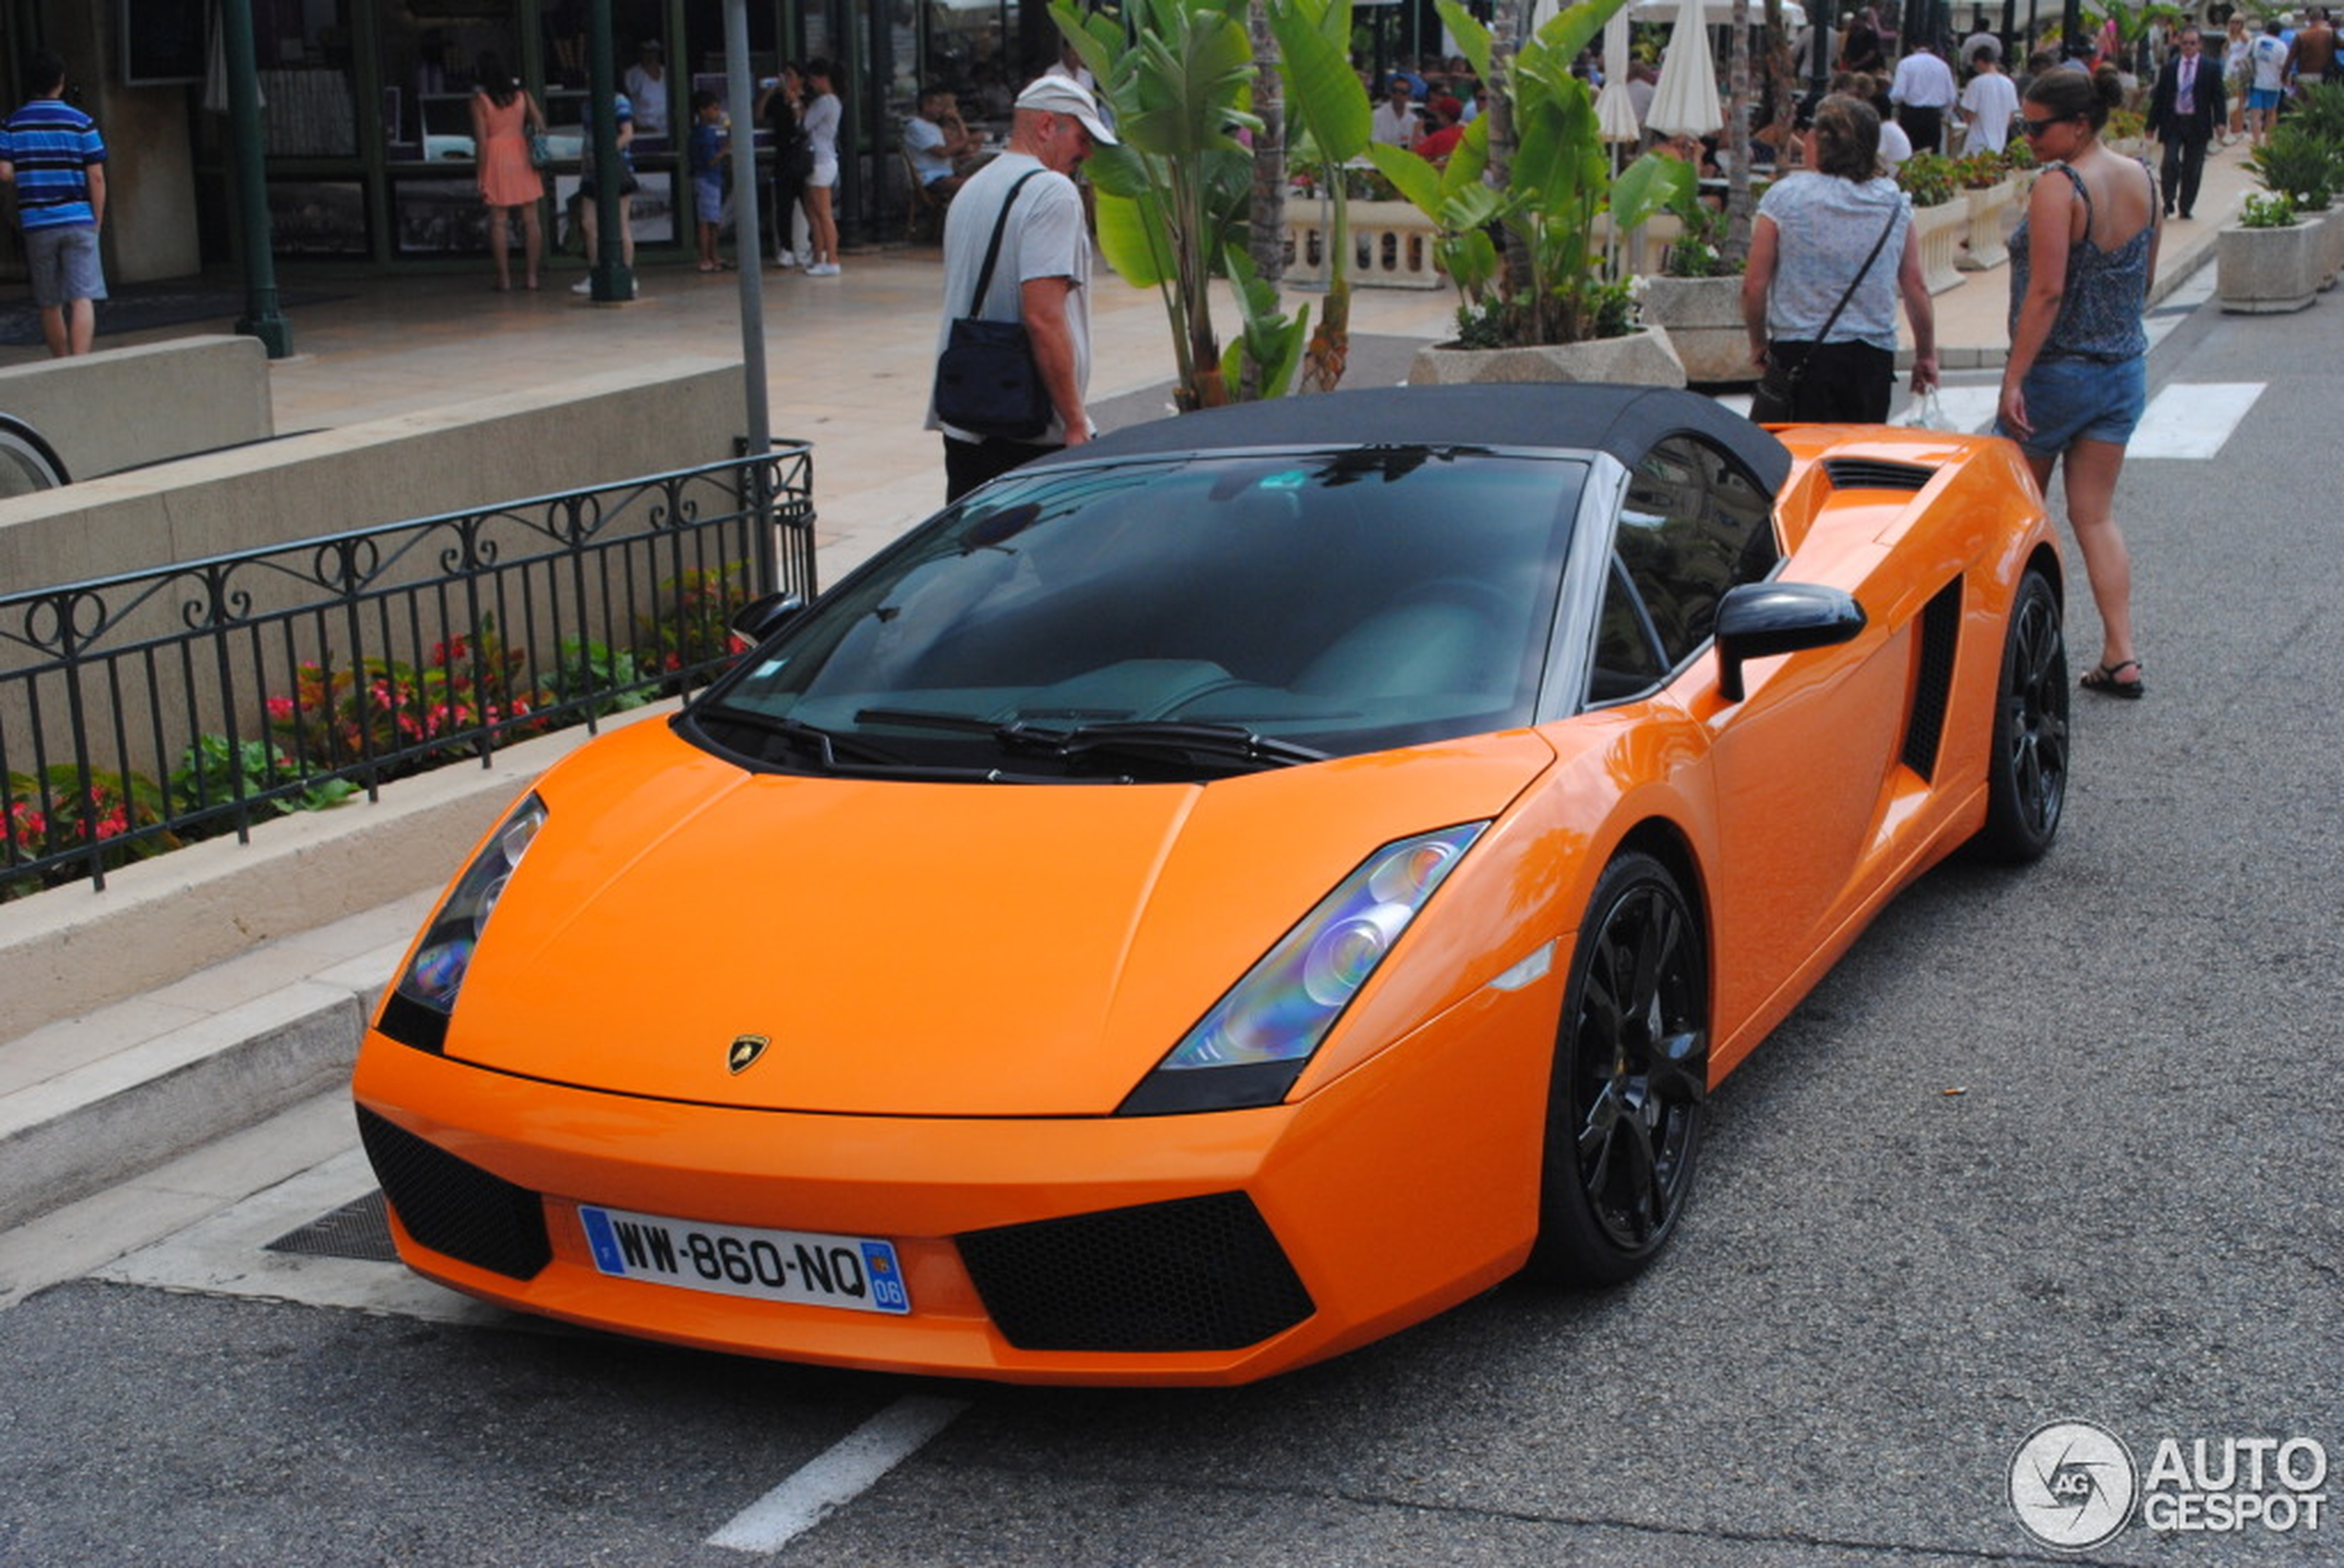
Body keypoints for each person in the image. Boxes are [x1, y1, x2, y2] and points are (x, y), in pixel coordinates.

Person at [1997, 66, 2158, 700]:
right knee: (2095, 515)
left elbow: (2047, 290)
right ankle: (2122, 654)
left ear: (2079, 124)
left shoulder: (2058, 186)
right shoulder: (2143, 177)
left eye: (2037, 126)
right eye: (2023, 124)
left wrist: (2014, 378)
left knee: (2017, 518)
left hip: (2056, 372)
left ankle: (2024, 656)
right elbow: (2141, 279)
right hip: (2122, 367)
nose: (2028, 136)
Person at [927, 75, 1117, 501]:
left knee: (978, 558)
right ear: (1048, 125)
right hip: (1027, 426)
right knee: (1057, 561)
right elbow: (1043, 317)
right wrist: (1073, 422)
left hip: (967, 419)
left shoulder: (972, 187)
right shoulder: (1052, 192)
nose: (1085, 154)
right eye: (1083, 139)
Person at [1742, 93, 1938, 422]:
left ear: (1819, 141)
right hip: (1870, 359)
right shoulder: (1893, 202)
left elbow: (1753, 285)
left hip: (1798, 354)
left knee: (1799, 462)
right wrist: (1926, 355)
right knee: (1855, 465)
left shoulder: (1785, 197)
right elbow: (1915, 285)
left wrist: (1759, 342)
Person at [0, 50, 106, 358]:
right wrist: (95, 220)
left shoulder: (13, 124)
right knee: (82, 297)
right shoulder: (82, 122)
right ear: (60, 81)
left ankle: (59, 363)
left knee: (49, 302)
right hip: (78, 217)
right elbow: (96, 178)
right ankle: (80, 361)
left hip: (37, 221)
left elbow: (5, 173)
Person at [470, 54, 545, 292]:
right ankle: (532, 277)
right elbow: (540, 124)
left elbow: (481, 142)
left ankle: (504, 279)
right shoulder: (522, 95)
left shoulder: (479, 101)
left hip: (495, 155)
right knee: (531, 219)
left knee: (498, 221)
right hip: (521, 152)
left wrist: (480, 173)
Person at [2148, 27, 2223, 221]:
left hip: (2198, 123)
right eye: (2184, 43)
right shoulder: (2170, 67)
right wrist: (2151, 124)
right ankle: (2169, 198)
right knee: (2169, 162)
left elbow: (2218, 97)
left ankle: (2186, 205)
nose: (2188, 47)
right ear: (2179, 44)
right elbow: (2160, 98)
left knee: (2193, 168)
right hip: (2174, 121)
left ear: (2199, 45)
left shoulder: (2211, 68)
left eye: (2192, 43)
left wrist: (2220, 121)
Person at [570, 90, 639, 297]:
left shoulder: (618, 100)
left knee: (621, 222)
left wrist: (607, 151)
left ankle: (627, 273)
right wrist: (584, 168)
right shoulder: (587, 103)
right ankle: (595, 272)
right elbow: (587, 137)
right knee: (589, 224)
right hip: (592, 172)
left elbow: (627, 132)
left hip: (616, 168)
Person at [757, 66, 811, 268]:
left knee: (809, 205)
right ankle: (786, 248)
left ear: (800, 79)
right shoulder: (778, 100)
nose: (787, 79)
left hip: (802, 157)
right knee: (784, 206)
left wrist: (794, 100)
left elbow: (803, 121)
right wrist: (770, 92)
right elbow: (760, 114)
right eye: (785, 76)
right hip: (783, 158)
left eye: (790, 76)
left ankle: (809, 247)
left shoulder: (806, 99)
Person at [801, 58, 843, 276]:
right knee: (815, 213)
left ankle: (832, 258)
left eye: (813, 79)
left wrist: (795, 103)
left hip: (820, 159)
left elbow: (804, 124)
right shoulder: (833, 101)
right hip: (823, 159)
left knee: (823, 213)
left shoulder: (825, 102)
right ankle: (820, 257)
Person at [906, 86, 977, 199]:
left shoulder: (934, 126)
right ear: (926, 106)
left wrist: (958, 120)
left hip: (948, 172)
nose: (941, 110)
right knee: (973, 187)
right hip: (932, 178)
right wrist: (967, 140)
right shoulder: (916, 126)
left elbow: (961, 145)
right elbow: (942, 152)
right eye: (938, 105)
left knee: (985, 181)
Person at [1889, 39, 1958, 154]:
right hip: (1933, 116)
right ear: (1931, 47)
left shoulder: (1905, 63)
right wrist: (1945, 113)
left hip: (1910, 115)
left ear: (1912, 46)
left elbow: (1898, 94)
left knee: (1909, 153)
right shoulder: (1942, 65)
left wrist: (1893, 105)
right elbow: (1951, 97)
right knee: (1931, 155)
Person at [688, 89, 730, 271]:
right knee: (707, 220)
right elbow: (710, 159)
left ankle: (713, 255)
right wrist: (726, 149)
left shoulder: (701, 132)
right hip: (707, 179)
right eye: (713, 108)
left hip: (709, 179)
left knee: (712, 220)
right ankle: (706, 257)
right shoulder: (704, 134)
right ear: (702, 110)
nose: (717, 112)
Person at [1957, 46, 2020, 153]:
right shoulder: (2009, 84)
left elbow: (1970, 115)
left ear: (1980, 61)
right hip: (2000, 142)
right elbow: (2011, 117)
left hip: (1977, 143)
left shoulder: (1976, 83)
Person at [2247, 18, 2290, 144]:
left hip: (2256, 82)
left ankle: (2256, 142)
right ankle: (2269, 142)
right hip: (2274, 84)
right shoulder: (2281, 47)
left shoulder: (2255, 42)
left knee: (2255, 114)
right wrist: (2287, 83)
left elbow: (2249, 59)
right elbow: (2283, 68)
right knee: (2271, 114)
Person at [623, 40, 669, 138]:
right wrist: (638, 127)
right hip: (644, 133)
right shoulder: (632, 74)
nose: (651, 56)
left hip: (667, 131)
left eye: (653, 51)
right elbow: (626, 103)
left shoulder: (666, 72)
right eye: (647, 51)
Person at [2289, 7, 2338, 90]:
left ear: (2309, 19)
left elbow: (2291, 58)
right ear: (2322, 19)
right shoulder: (2330, 34)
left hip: (2304, 74)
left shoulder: (2301, 36)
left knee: (2303, 101)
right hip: (2324, 74)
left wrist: (2284, 75)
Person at [2222, 16, 2254, 142]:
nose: (2234, 25)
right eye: (2232, 22)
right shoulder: (2229, 36)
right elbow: (2225, 48)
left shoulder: (2245, 35)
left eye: (2237, 23)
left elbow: (2250, 48)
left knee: (2239, 99)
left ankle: (2238, 128)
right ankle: (2233, 126)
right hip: (2230, 67)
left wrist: (2243, 59)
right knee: (2230, 98)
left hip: (2240, 69)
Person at [1414, 96, 1466, 163]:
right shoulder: (1466, 132)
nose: (1437, 116)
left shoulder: (1439, 137)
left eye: (1439, 114)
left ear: (1445, 116)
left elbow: (1414, 157)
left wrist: (1416, 131)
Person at [1371, 78, 1419, 148]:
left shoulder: (1413, 119)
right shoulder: (1376, 115)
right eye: (1395, 91)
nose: (1398, 96)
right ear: (1390, 93)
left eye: (1403, 92)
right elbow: (1375, 144)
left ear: (1409, 96)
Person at [1839, 8, 1887, 75]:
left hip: (1871, 68)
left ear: (1863, 22)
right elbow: (1847, 51)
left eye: (1858, 20)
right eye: (1853, 21)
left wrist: (1857, 63)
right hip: (1855, 70)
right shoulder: (1852, 36)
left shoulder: (1871, 35)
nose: (1855, 23)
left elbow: (1871, 53)